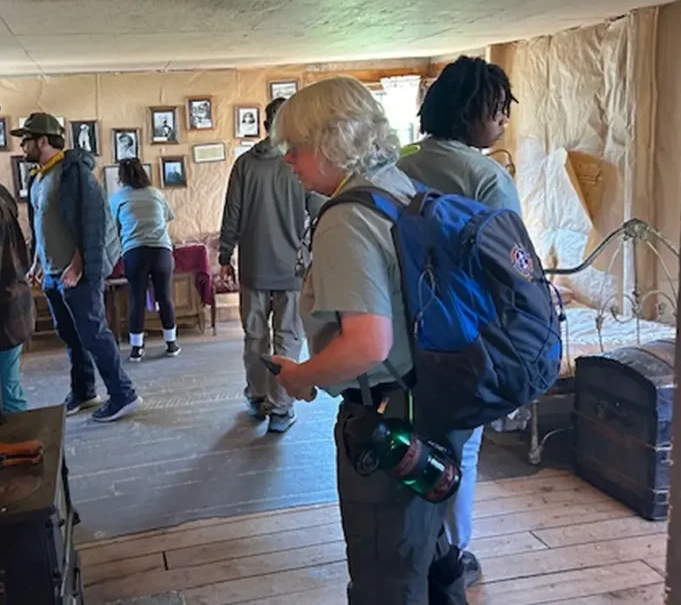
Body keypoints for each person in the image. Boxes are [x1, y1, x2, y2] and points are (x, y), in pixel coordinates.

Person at [271, 76, 468, 604]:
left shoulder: (346, 219)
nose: (288, 160)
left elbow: (367, 344)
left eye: (296, 147)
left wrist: (300, 378)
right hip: (431, 402)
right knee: (431, 553)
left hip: (387, 423)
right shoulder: (399, 189)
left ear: (332, 141)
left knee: (385, 577)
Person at [398, 55, 521, 587]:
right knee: (459, 449)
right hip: (465, 335)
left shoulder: (397, 164)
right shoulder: (486, 178)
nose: (502, 121)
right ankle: (451, 556)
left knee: (408, 438)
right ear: (472, 113)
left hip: (402, 326)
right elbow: (514, 268)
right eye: (497, 110)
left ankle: (410, 546)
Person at [14, 112, 141, 423]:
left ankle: (123, 393)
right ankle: (84, 391)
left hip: (77, 273)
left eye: (26, 139)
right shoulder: (39, 177)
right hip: (53, 273)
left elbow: (93, 223)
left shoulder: (75, 174)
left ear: (42, 141)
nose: (21, 145)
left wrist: (78, 264)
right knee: (71, 335)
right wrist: (37, 261)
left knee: (94, 333)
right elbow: (42, 225)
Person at [219, 96, 322, 433]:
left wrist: (224, 255)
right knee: (289, 338)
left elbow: (231, 213)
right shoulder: (302, 163)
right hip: (293, 269)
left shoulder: (245, 165)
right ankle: (281, 408)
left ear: (265, 125)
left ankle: (258, 396)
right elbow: (320, 209)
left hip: (253, 267)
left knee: (254, 337)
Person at [109, 158, 181, 362]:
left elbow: (112, 226)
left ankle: (136, 348)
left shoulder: (117, 198)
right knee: (165, 297)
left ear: (122, 176)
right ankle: (171, 344)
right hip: (161, 251)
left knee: (137, 299)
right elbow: (167, 218)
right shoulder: (155, 193)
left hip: (135, 251)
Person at [0, 153, 35, 413]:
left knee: (6, 393)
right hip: (12, 295)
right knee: (4, 387)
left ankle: (22, 448)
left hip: (4, 302)